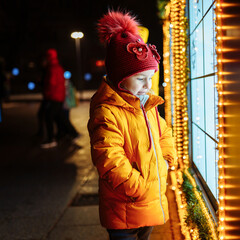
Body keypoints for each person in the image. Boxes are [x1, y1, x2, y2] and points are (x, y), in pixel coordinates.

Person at [87, 11, 177, 240]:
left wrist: (166, 159)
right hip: (125, 206)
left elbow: (164, 132)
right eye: (140, 79)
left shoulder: (147, 104)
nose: (148, 85)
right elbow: (108, 157)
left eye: (151, 76)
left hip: (149, 201)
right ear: (119, 77)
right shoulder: (107, 111)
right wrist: (138, 187)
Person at [41, 48, 67, 148]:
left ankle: (51, 139)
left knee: (49, 117)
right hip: (58, 96)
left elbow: (51, 84)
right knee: (58, 117)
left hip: (53, 97)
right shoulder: (58, 67)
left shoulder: (51, 68)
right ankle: (63, 134)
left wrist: (46, 94)